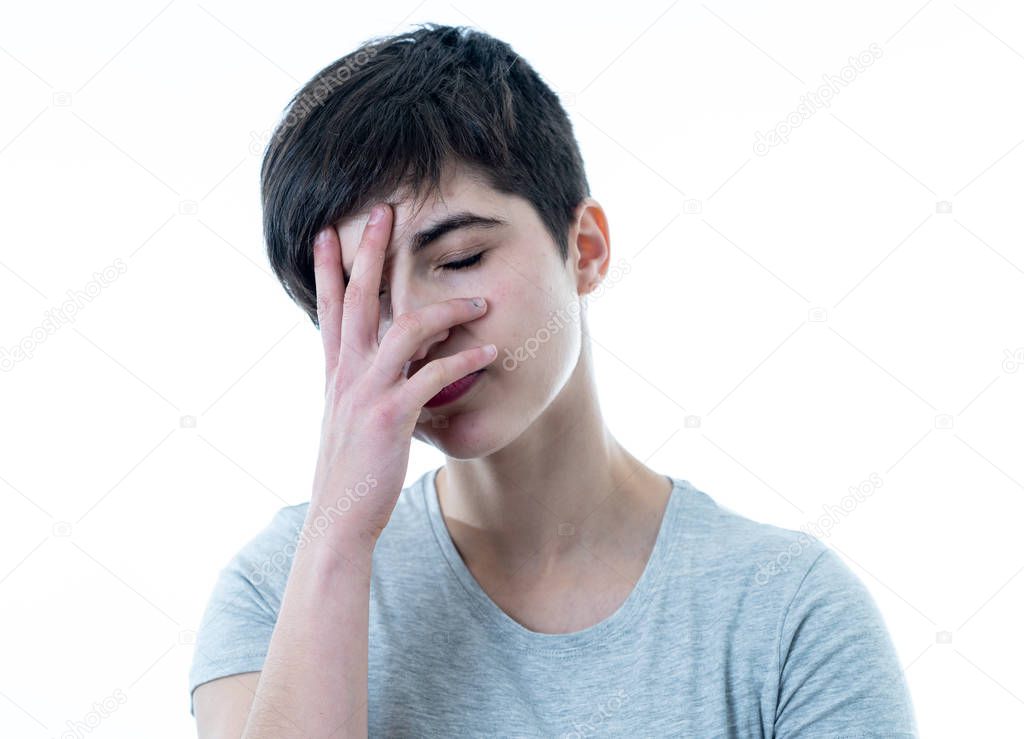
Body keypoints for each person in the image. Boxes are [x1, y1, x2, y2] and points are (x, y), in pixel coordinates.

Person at [188, 23, 919, 737]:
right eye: (363, 292)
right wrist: (339, 536)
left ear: (587, 249)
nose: (415, 325)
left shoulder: (787, 611)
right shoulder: (277, 590)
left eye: (460, 258)